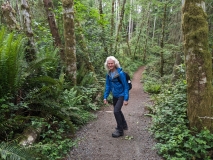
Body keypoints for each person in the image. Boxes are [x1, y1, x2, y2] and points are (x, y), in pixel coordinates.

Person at [103, 56, 129, 138]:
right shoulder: (109, 74)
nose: (110, 65)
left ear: (115, 64)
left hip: (121, 94)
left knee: (116, 111)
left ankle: (120, 130)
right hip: (115, 95)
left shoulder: (120, 73)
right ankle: (124, 124)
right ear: (107, 64)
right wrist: (105, 97)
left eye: (112, 63)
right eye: (109, 63)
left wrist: (126, 98)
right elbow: (108, 86)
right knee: (118, 110)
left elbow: (126, 86)